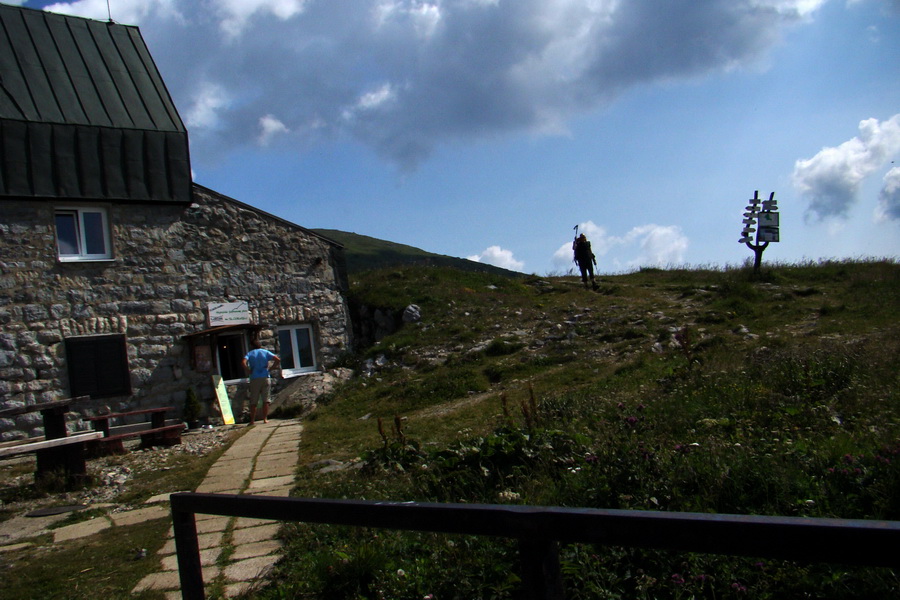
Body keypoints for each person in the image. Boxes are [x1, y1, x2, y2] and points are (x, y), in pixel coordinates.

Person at [242, 339, 281, 424]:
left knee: (254, 400)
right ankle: (265, 419)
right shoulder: (265, 352)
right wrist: (272, 367)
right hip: (265, 376)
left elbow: (243, 362)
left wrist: (248, 370)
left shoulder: (250, 353)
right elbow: (277, 359)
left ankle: (252, 420)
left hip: (255, 377)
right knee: (266, 399)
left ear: (252, 346)